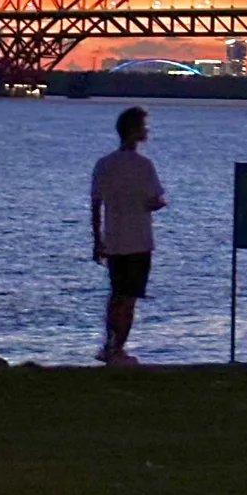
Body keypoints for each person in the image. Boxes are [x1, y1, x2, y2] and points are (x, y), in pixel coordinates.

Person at [91, 106, 166, 366]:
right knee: (130, 298)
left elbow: (96, 204)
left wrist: (97, 240)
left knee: (115, 295)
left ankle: (108, 344)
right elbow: (154, 200)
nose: (147, 131)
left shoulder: (104, 164)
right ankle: (119, 349)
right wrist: (156, 204)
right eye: (144, 126)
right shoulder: (144, 166)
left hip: (113, 239)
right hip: (139, 240)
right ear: (134, 131)